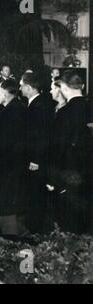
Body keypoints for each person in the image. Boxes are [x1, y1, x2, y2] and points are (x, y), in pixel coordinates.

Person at [46, 71, 93, 233]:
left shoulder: (64, 114)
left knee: (69, 225)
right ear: (83, 86)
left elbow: (58, 149)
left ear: (64, 88)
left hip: (69, 177)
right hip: (89, 175)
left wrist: (52, 179)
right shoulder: (90, 108)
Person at [0, 79, 28, 236]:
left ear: (4, 92)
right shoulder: (19, 108)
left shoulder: (11, 112)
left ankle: (13, 244)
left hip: (7, 169)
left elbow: (3, 142)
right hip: (14, 168)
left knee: (5, 210)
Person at [19, 72, 55, 233]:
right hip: (35, 158)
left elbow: (43, 135)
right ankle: (34, 225)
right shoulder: (37, 103)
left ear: (28, 87)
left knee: (36, 193)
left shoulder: (40, 105)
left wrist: (35, 159)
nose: (20, 89)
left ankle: (36, 228)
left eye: (21, 86)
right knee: (33, 193)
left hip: (37, 159)